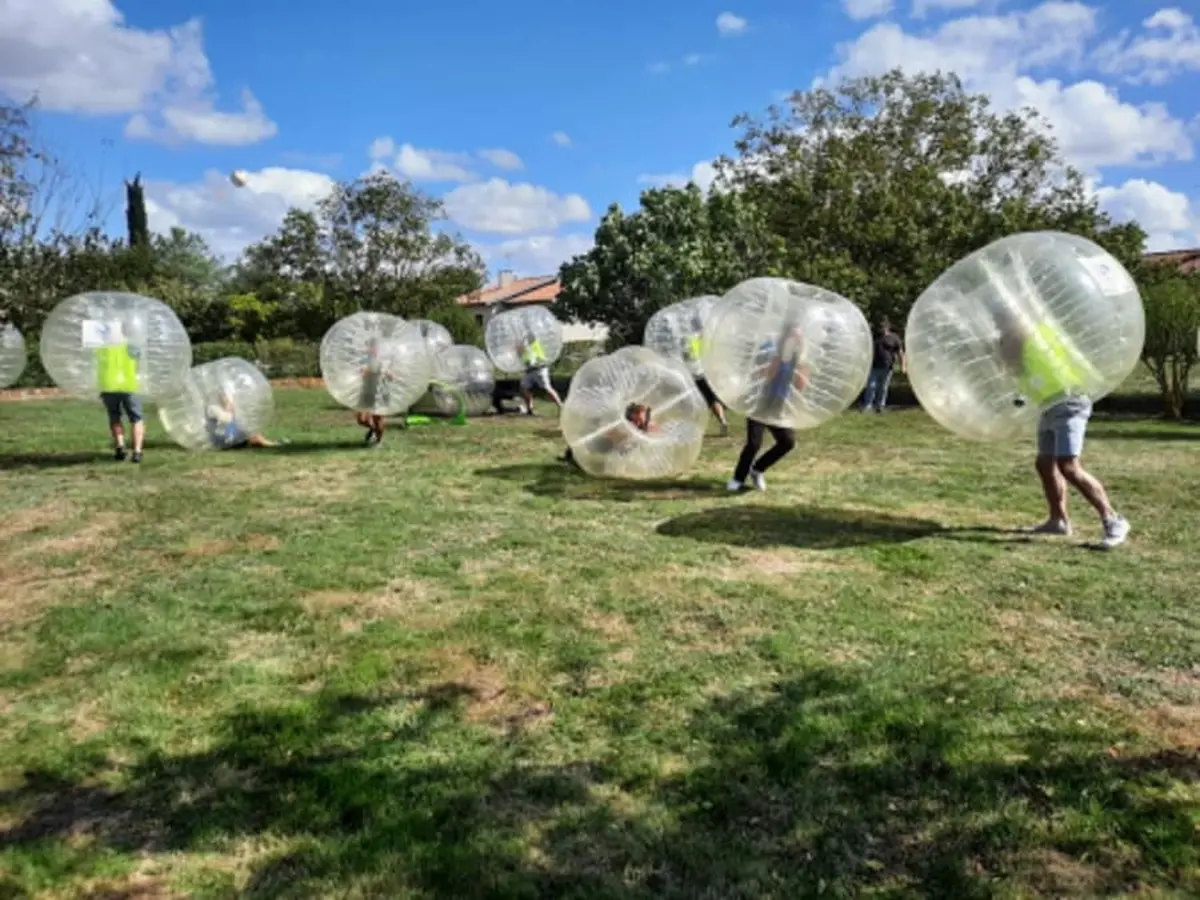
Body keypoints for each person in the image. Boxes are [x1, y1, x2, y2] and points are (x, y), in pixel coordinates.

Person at [996, 308, 1130, 549]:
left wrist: (1008, 339)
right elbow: (1017, 373)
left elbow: (1028, 334)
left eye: (1004, 326)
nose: (1002, 333)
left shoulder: (1038, 336)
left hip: (1070, 402)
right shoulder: (1020, 349)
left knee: (1068, 466)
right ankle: (1058, 521)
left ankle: (1114, 520)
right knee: (1044, 463)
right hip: (1049, 406)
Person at [727, 323, 810, 492]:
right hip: (760, 401)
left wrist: (800, 362)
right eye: (793, 336)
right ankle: (737, 479)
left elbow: (800, 386)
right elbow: (765, 376)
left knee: (787, 442)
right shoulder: (770, 350)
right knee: (754, 443)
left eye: (799, 338)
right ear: (785, 336)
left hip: (778, 404)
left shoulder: (798, 357)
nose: (796, 340)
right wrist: (779, 358)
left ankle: (757, 470)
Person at [95, 324, 144, 462]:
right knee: (136, 418)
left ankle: (120, 446)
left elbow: (98, 364)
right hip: (128, 386)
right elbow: (138, 363)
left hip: (108, 386)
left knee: (114, 417)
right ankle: (137, 452)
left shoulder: (102, 348)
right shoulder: (132, 347)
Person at [559, 403, 656, 469]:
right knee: (583, 442)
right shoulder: (622, 423)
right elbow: (615, 436)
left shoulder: (640, 424)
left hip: (617, 446)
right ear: (633, 415)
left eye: (642, 417)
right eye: (638, 416)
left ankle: (572, 457)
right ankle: (570, 458)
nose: (640, 419)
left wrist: (644, 427)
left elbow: (652, 428)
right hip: (604, 443)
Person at [683, 315, 728, 436]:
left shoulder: (688, 339)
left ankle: (695, 427)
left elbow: (686, 357)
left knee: (702, 400)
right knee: (713, 398)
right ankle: (722, 419)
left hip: (697, 374)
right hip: (710, 371)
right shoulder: (707, 338)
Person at [204, 389, 278, 449]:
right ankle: (268, 444)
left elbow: (237, 420)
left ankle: (259, 442)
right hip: (223, 439)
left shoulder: (224, 408)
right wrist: (229, 409)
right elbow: (226, 420)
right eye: (224, 396)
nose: (226, 399)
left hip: (229, 435)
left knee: (250, 431)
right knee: (252, 433)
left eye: (227, 397)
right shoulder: (213, 408)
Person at [861, 318, 905, 412]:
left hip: (887, 367)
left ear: (887, 327)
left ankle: (880, 406)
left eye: (882, 327)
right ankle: (868, 406)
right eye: (879, 327)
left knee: (883, 387)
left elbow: (900, 352)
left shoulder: (894, 337)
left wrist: (903, 366)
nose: (881, 329)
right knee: (871, 386)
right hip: (873, 366)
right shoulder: (874, 337)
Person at [518, 334, 563, 415]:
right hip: (529, 371)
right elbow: (522, 357)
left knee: (547, 389)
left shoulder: (534, 345)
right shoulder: (522, 349)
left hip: (540, 369)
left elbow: (531, 351)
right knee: (524, 388)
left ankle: (561, 406)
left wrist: (523, 345)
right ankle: (530, 409)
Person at [357, 338, 390, 445]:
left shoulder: (384, 360)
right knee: (361, 419)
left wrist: (381, 371)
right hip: (366, 390)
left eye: (373, 347)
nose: (370, 349)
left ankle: (379, 442)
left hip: (380, 391)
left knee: (378, 419)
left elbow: (391, 376)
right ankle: (373, 430)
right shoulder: (364, 359)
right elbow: (360, 373)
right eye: (369, 347)